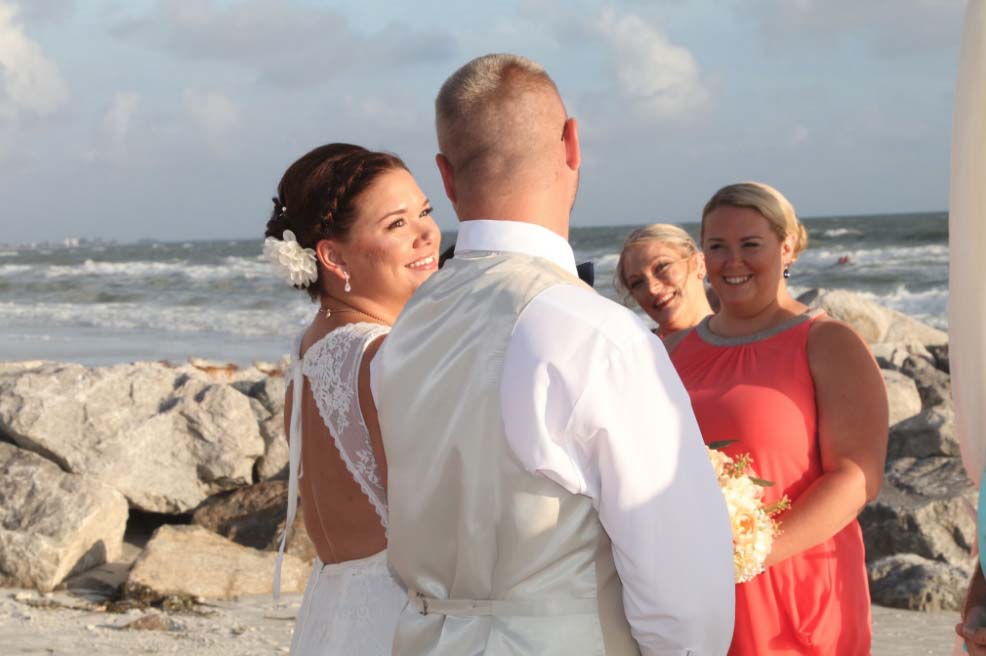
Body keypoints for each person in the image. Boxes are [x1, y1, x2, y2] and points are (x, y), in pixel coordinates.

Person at [371, 53, 734, 655]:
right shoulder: (597, 334)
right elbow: (683, 592)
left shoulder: (408, 326)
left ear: (445, 175)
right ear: (572, 143)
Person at [670, 182, 888, 655]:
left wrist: (748, 555)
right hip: (692, 591)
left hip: (792, 588)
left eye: (751, 244)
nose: (733, 262)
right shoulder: (675, 351)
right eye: (717, 247)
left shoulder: (829, 343)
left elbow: (857, 477)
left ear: (786, 247)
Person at [264, 143, 441, 656]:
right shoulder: (383, 356)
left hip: (331, 613)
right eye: (397, 224)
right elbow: (439, 527)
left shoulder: (308, 351)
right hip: (399, 622)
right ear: (333, 256)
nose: (428, 233)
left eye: (425, 211)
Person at [615, 223, 712, 348]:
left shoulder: (735, 341)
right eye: (637, 283)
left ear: (699, 264)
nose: (652, 289)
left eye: (662, 267)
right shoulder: (637, 355)